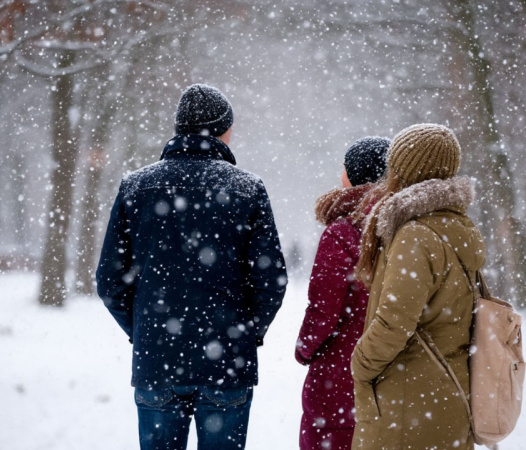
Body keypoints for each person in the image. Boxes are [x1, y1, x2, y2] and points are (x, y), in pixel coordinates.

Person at [96, 84, 288, 450]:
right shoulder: (248, 189)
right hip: (226, 364)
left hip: (158, 361)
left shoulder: (136, 187)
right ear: (223, 130)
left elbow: (110, 282)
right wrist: (244, 331)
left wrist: (144, 331)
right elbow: (271, 281)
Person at [350, 124, 484, 450]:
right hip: (448, 396)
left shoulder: (416, 234)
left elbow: (394, 322)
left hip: (408, 402)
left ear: (404, 171)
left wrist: (360, 365)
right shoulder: (459, 225)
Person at [295, 137, 390, 450]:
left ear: (355, 175)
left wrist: (305, 348)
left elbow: (324, 308)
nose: (340, 175)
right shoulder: (407, 228)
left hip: (340, 377)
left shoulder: (342, 232)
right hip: (395, 375)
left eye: (344, 168)